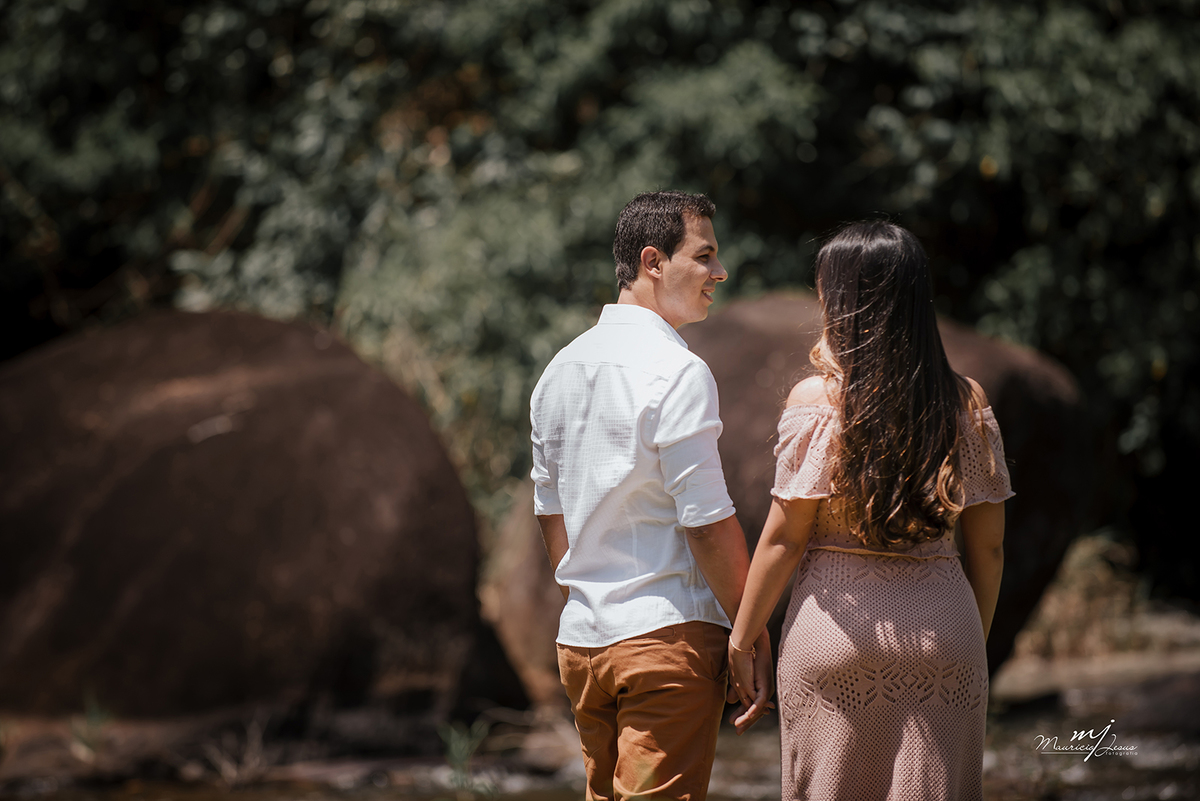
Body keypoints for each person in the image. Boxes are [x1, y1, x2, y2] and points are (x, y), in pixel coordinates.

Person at [727, 221, 1013, 801]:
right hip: (946, 634)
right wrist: (968, 641)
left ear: (839, 301)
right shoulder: (967, 402)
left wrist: (742, 639)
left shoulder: (816, 401)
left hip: (835, 640)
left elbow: (783, 539)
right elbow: (988, 546)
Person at [530, 191, 773, 801]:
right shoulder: (679, 371)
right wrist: (748, 630)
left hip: (583, 643)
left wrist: (588, 599)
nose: (720, 272)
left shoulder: (557, 371)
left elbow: (551, 515)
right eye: (704, 256)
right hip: (666, 640)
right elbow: (707, 521)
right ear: (653, 262)